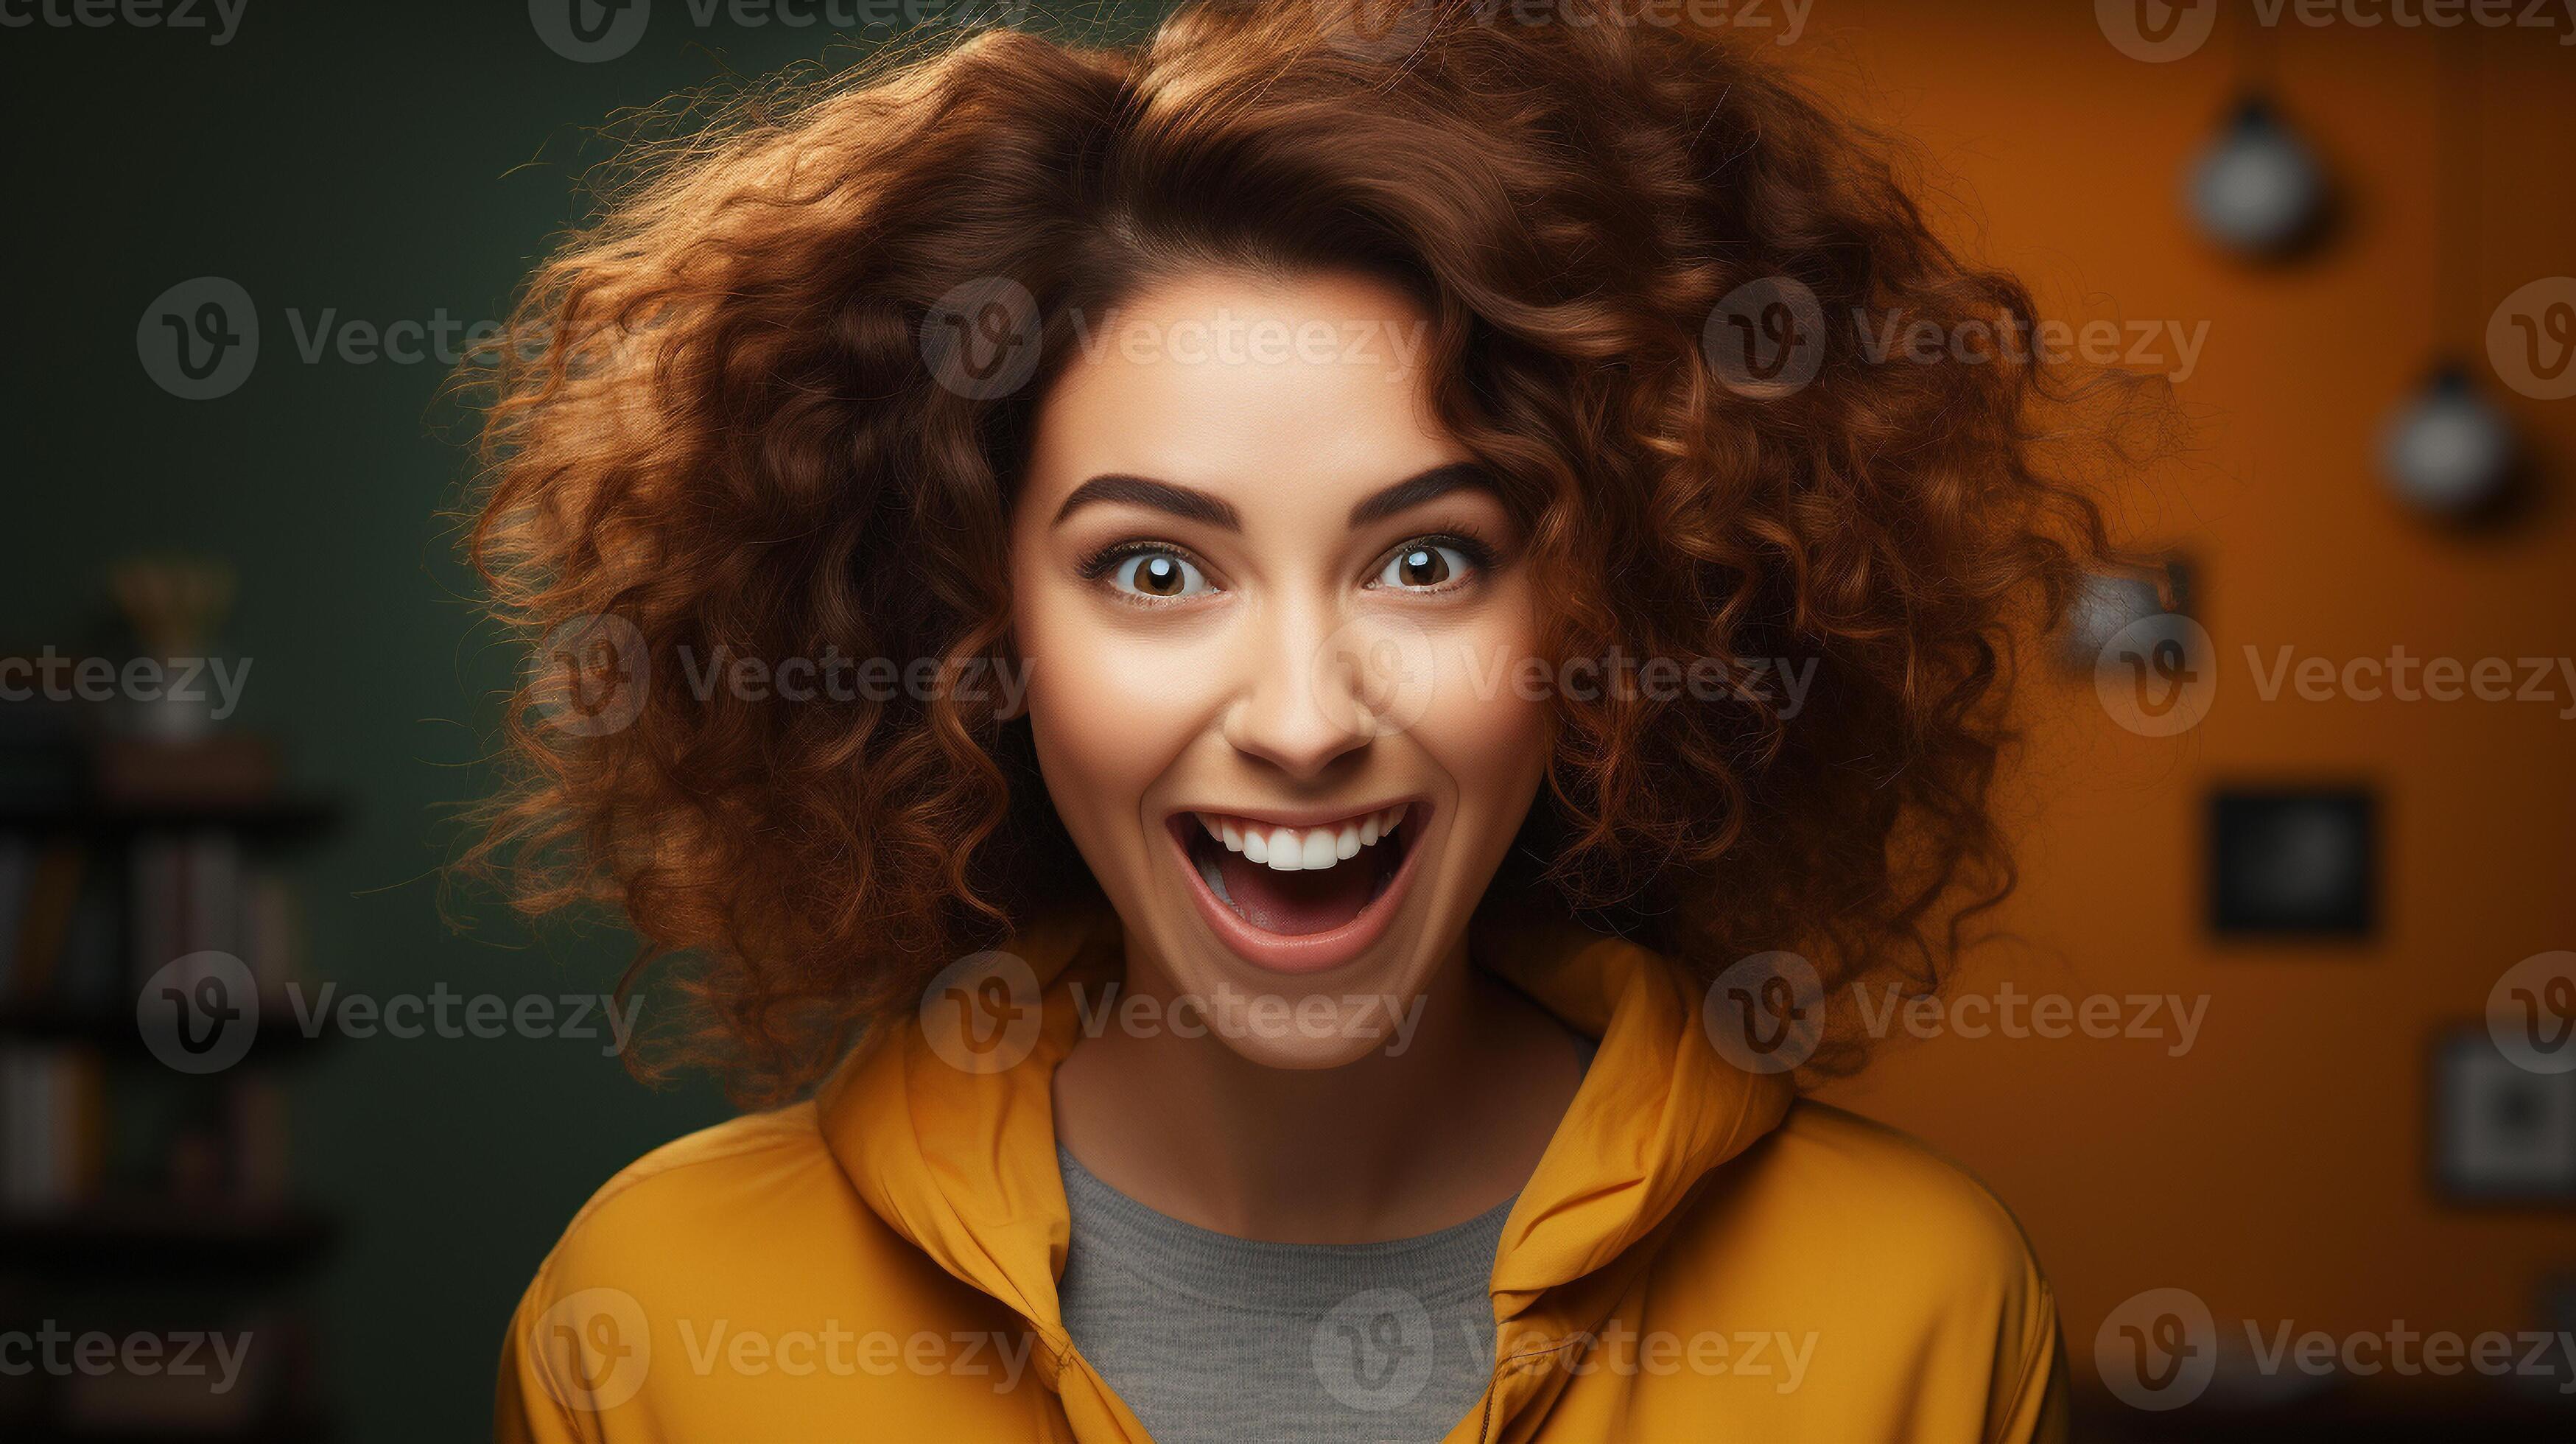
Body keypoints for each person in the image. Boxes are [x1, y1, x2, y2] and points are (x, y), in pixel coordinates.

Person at [473, 2, 2122, 1437]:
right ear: (978, 631)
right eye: (1154, 569)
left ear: (1608, 614)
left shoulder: (1916, 1305)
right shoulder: (657, 1322)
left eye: (1426, 561)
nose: (1304, 717)